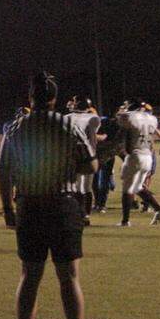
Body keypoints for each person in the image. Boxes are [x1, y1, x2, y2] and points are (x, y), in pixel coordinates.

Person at [0, 72, 98, 319]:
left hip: (29, 204)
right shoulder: (67, 125)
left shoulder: (17, 127)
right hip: (63, 204)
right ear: (54, 99)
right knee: (69, 276)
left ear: (31, 98)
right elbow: (90, 166)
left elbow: (3, 171)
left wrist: (7, 209)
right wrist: (66, 168)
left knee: (30, 276)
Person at [116, 101, 160, 227]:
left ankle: (125, 221)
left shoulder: (128, 117)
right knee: (137, 187)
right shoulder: (151, 119)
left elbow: (123, 133)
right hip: (147, 156)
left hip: (135, 155)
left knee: (127, 189)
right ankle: (159, 209)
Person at [65, 96, 101, 225]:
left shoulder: (67, 117)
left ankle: (79, 215)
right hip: (89, 154)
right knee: (87, 187)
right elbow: (93, 137)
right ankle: (85, 215)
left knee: (76, 187)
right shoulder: (93, 118)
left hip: (72, 154)